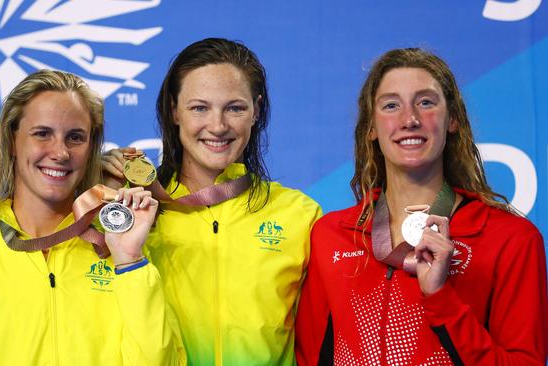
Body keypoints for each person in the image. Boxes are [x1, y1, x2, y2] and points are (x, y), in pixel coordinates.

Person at [0, 70, 186, 365]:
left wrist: (130, 262)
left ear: (91, 148)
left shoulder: (129, 255)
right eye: (42, 133)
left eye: (75, 137)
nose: (61, 152)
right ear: (12, 140)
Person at [295, 48, 548, 365]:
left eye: (426, 102)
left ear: (453, 119)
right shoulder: (331, 235)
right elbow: (309, 358)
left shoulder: (511, 240)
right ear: (371, 127)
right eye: (391, 105)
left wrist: (441, 298)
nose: (410, 119)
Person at [102, 38, 322, 365]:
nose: (218, 126)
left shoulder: (300, 216)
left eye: (234, 108)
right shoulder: (133, 212)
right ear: (174, 110)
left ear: (256, 110)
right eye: (199, 108)